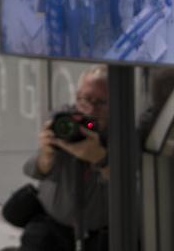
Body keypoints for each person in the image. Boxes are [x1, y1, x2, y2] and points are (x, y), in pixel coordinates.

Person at [19, 65, 111, 251]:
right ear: (77, 97)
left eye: (101, 102)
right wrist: (46, 155)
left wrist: (101, 158)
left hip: (100, 236)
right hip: (51, 230)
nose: (91, 109)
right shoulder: (64, 121)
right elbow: (32, 169)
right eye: (86, 99)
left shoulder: (122, 130)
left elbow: (131, 184)